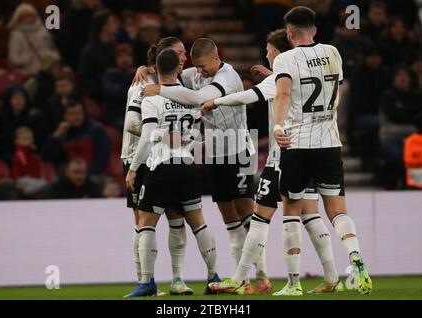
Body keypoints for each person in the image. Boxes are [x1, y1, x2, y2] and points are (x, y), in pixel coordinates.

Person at [204, 28, 342, 295]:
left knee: (260, 219)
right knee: (311, 216)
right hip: (313, 149)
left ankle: (245, 279)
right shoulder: (299, 72)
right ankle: (332, 275)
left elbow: (248, 96)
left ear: (277, 52)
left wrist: (216, 101)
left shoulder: (279, 75)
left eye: (268, 50)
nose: (266, 54)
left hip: (282, 158)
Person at [143, 38, 269, 294]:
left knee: (247, 213)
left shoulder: (228, 76)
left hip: (239, 149)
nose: (199, 72)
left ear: (216, 58)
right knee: (229, 218)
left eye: (203, 67)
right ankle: (241, 281)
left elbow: (199, 97)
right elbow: (170, 73)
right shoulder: (193, 74)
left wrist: (160, 90)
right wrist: (145, 70)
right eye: (196, 67)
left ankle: (262, 274)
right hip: (212, 152)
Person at [270, 6, 372, 295]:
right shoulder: (333, 53)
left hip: (298, 143)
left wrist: (278, 126)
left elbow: (284, 93)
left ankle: (293, 285)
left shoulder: (285, 59)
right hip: (329, 142)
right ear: (313, 29)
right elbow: (338, 90)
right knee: (338, 210)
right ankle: (354, 256)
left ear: (289, 33)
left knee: (291, 211)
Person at [123, 37, 220, 296]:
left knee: (145, 224)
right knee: (199, 224)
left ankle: (147, 283)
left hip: (160, 166)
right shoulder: (190, 96)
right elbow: (198, 128)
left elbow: (146, 135)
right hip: (187, 165)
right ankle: (213, 277)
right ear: (178, 67)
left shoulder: (151, 97)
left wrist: (133, 168)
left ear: (155, 67)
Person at [41, 100, 110, 175]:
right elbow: (46, 157)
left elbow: (102, 160)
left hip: (92, 175)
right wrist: (56, 135)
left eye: (79, 113)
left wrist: (84, 174)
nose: (77, 117)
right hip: (68, 177)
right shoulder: (62, 134)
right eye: (72, 114)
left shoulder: (97, 130)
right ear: (65, 116)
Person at [8, 3, 59, 76]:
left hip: (48, 69)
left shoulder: (43, 30)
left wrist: (48, 55)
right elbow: (14, 58)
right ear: (19, 18)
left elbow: (53, 49)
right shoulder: (17, 34)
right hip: (29, 73)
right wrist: (30, 57)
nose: (29, 18)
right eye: (25, 16)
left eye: (31, 15)